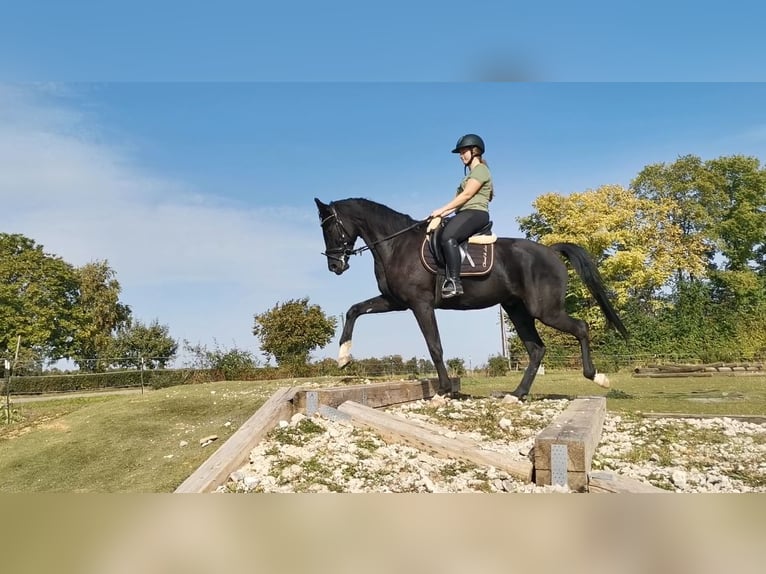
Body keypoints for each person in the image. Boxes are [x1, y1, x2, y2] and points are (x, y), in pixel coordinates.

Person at [429, 133, 493, 298]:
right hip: (465, 212)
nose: (461, 156)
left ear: (475, 151)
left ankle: (455, 282)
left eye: (463, 151)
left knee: (448, 237)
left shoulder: (481, 170)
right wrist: (439, 215)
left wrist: (441, 210)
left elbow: (466, 196)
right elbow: (458, 202)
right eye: (460, 153)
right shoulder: (469, 175)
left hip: (476, 213)